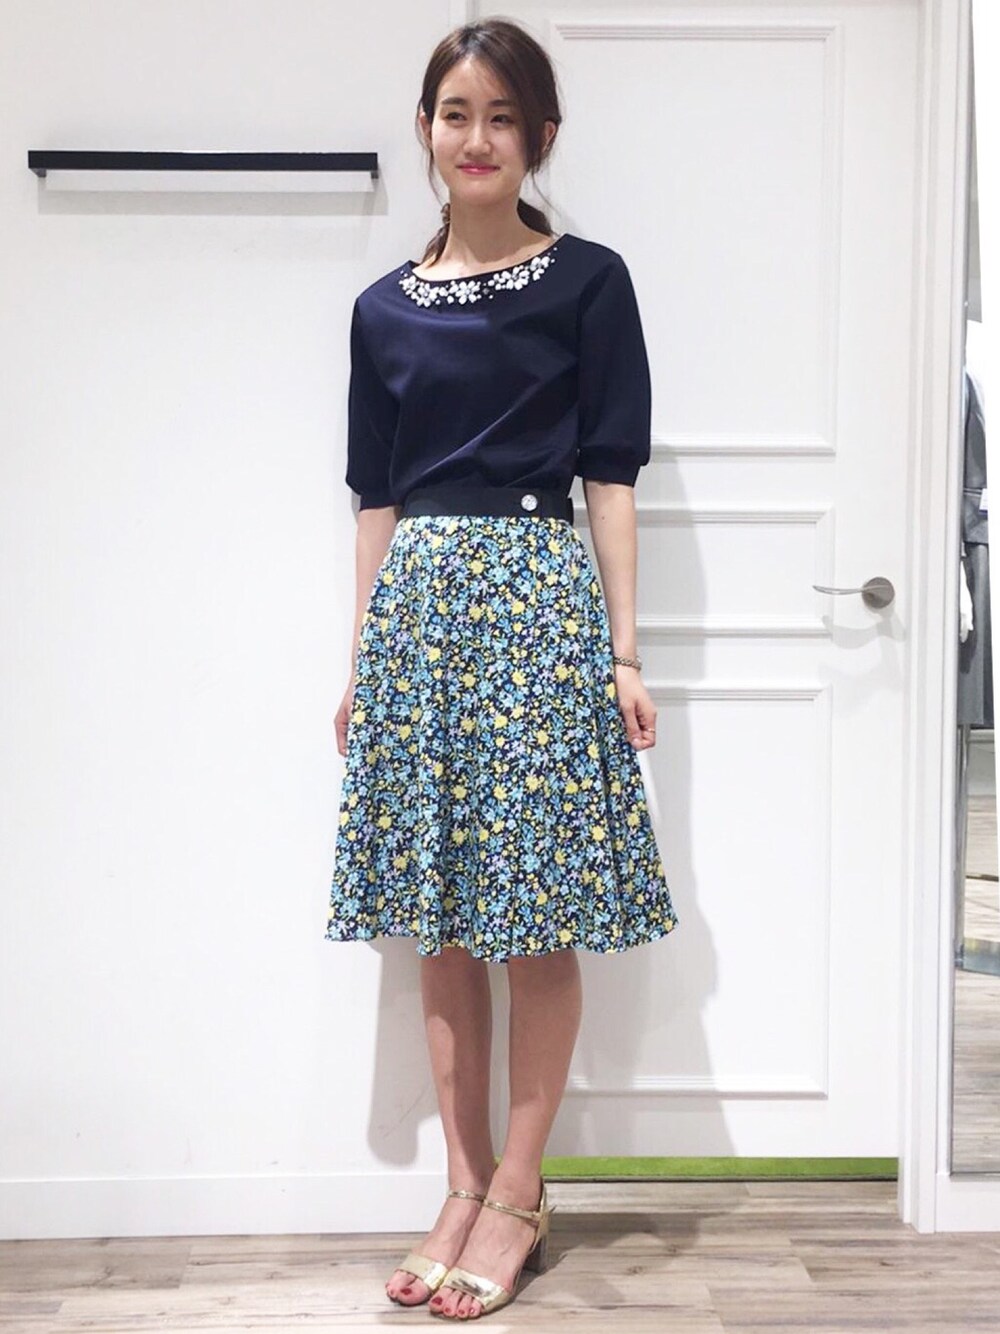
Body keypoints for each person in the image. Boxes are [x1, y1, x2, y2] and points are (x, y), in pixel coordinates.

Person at [324, 17, 679, 1321]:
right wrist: (361, 658)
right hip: (419, 612)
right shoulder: (380, 310)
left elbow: (611, 480)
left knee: (532, 916)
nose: (475, 138)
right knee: (438, 920)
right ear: (426, 128)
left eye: (501, 116)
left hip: (537, 606)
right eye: (454, 113)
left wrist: (625, 651)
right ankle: (460, 1182)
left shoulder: (588, 282)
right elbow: (374, 499)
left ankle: (520, 1193)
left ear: (540, 136)